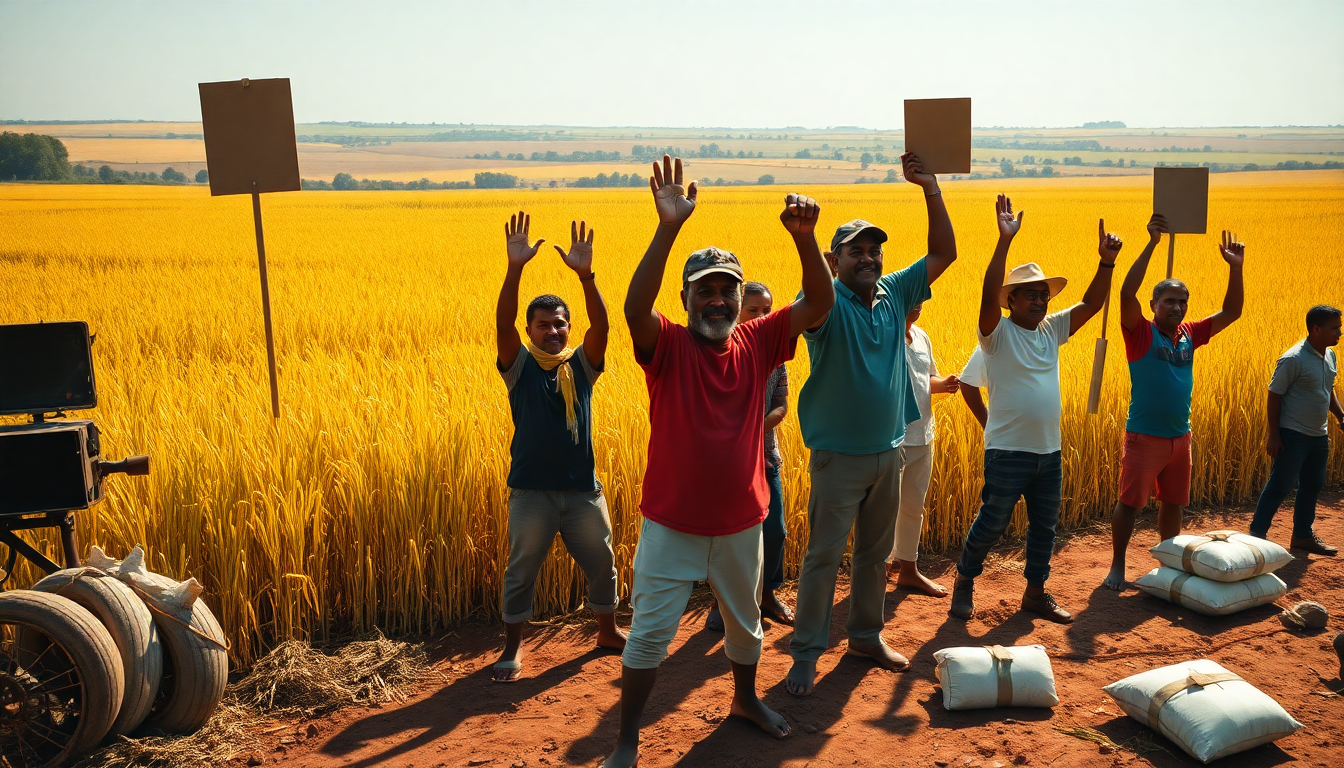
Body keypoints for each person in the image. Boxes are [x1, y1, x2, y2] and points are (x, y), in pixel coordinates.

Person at [604, 156, 835, 768]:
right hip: (671, 525)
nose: (716, 299)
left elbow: (818, 303)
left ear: (739, 298)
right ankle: (627, 740)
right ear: (684, 299)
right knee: (651, 635)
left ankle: (743, 701)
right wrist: (668, 228)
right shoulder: (669, 346)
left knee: (744, 625)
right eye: (703, 290)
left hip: (741, 523)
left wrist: (807, 239)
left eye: (725, 290)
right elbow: (633, 309)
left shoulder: (758, 342)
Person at [786, 151, 957, 697]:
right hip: (838, 456)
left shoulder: (895, 292)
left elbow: (944, 253)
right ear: (835, 259)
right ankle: (808, 652)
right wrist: (805, 240)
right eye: (855, 251)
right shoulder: (821, 302)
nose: (868, 258)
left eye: (874, 251)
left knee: (874, 556)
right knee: (822, 558)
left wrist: (930, 188)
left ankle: (864, 635)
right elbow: (811, 298)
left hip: (890, 450)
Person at [951, 196, 1121, 624]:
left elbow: (1091, 305)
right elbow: (986, 293)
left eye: (1044, 295)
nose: (1041, 301)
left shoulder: (1051, 329)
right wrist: (1003, 241)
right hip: (1008, 451)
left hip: (1049, 451)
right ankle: (965, 579)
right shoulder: (997, 334)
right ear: (1011, 300)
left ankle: (1034, 592)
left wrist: (1106, 264)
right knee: (992, 523)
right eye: (1031, 295)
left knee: (1045, 528)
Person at [491, 212, 625, 682]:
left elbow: (603, 328)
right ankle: (512, 649)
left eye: (560, 324)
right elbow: (502, 323)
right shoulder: (520, 367)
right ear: (530, 331)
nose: (553, 331)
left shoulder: (582, 368)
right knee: (521, 571)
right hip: (532, 493)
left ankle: (606, 632)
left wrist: (587, 278)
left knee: (604, 564)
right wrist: (514, 269)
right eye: (544, 324)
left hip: (582, 492)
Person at [1102, 221, 1245, 589]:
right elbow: (1126, 293)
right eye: (1169, 301)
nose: (1177, 307)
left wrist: (1235, 268)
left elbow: (1232, 313)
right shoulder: (1140, 332)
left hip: (1180, 438)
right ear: (1154, 306)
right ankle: (1117, 565)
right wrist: (1151, 243)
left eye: (1183, 301)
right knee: (1130, 503)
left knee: (1173, 504)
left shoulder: (1189, 335)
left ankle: (1166, 561)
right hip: (1144, 437)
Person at [706, 281, 796, 633]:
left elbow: (782, 406)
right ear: (736, 312)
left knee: (775, 532)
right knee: (725, 535)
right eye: (753, 310)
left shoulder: (774, 356)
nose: (761, 317)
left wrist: (752, 429)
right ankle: (721, 600)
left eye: (767, 311)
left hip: (765, 458)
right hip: (726, 465)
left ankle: (767, 595)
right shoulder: (716, 355)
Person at [1249, 305, 1342, 555]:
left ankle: (1302, 536)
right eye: (1335, 328)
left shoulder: (1330, 355)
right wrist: (1274, 434)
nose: (1340, 332)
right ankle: (1256, 537)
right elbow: (1274, 394)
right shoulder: (1293, 359)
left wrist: (1340, 415)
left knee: (1313, 484)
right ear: (1316, 329)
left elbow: (1327, 388)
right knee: (1280, 485)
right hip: (1292, 434)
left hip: (1318, 435)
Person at [887, 301, 960, 596]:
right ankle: (878, 574)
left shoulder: (922, 337)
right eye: (910, 299)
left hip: (922, 436)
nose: (916, 306)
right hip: (891, 439)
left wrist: (946, 383)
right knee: (885, 510)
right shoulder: (883, 337)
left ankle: (908, 571)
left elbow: (926, 379)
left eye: (920, 301)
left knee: (914, 507)